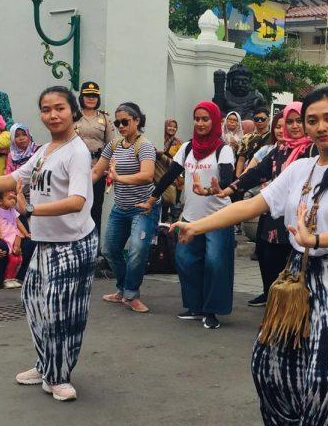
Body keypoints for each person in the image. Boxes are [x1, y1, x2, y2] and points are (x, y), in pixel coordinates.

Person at [170, 86, 328, 426]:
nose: (320, 127)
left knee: (326, 374)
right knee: (269, 364)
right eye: (313, 120)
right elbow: (251, 206)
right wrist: (197, 225)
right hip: (296, 277)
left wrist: (316, 240)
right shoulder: (300, 169)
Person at [0, 86, 97, 402]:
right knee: (32, 300)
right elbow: (9, 180)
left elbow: (78, 200)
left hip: (72, 244)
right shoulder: (44, 151)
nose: (52, 115)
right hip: (45, 242)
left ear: (72, 111)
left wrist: (31, 210)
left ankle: (59, 377)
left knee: (61, 312)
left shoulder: (77, 152)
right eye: (46, 109)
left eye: (60, 108)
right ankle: (45, 365)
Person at [146, 101, 236, 329]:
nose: (201, 123)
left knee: (215, 263)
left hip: (217, 217)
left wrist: (218, 187)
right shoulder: (187, 148)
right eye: (197, 119)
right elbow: (169, 175)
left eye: (206, 119)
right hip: (190, 217)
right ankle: (195, 306)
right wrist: (152, 197)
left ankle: (212, 310)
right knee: (185, 261)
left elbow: (227, 178)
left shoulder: (222, 149)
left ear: (215, 121)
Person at [215, 102, 313, 308]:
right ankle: (274, 305)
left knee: (296, 271)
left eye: (299, 121)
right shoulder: (280, 149)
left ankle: (294, 312)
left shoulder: (313, 150)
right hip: (275, 216)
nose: (295, 126)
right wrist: (229, 189)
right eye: (290, 122)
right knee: (267, 258)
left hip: (302, 219)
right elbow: (257, 173)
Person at [92, 102, 158, 313]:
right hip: (121, 207)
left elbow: (147, 175)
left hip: (143, 207)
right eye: (117, 122)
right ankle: (123, 289)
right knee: (110, 250)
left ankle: (131, 294)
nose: (120, 126)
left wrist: (119, 177)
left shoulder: (145, 145)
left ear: (137, 121)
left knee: (138, 251)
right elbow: (96, 172)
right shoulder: (113, 145)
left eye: (125, 122)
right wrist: (77, 188)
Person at [76, 81, 116, 244]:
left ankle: (94, 245)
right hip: (77, 168)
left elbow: (111, 144)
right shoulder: (74, 116)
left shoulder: (104, 118)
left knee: (95, 208)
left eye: (94, 96)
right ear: (82, 97)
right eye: (87, 95)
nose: (91, 98)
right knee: (76, 206)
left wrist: (109, 168)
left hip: (97, 168)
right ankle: (76, 243)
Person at [0, 189, 30, 289]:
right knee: (10, 258)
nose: (13, 201)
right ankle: (6, 279)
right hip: (4, 236)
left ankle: (13, 278)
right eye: (10, 198)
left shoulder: (12, 210)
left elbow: (18, 223)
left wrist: (26, 233)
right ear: (0, 201)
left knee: (16, 257)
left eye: (14, 199)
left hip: (14, 235)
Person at [236, 107, 270, 177]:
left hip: (265, 175)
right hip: (247, 174)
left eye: (263, 119)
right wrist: (238, 177)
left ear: (268, 120)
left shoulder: (273, 137)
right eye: (257, 119)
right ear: (253, 120)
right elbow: (241, 159)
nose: (259, 121)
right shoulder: (246, 137)